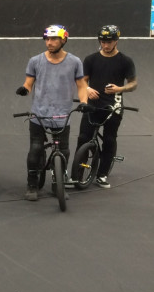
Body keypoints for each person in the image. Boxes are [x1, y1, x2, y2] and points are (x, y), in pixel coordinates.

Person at [16, 25, 88, 201]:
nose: (49, 42)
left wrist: (84, 102)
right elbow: (28, 83)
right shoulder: (35, 61)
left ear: (63, 40)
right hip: (39, 114)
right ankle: (32, 185)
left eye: (54, 39)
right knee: (35, 149)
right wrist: (25, 89)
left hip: (62, 115)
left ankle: (58, 184)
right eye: (47, 39)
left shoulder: (75, 62)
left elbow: (81, 86)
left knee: (64, 151)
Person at [73, 25, 137, 188]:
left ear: (116, 41)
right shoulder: (91, 59)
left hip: (113, 106)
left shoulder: (125, 61)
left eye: (109, 42)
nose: (105, 45)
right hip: (92, 106)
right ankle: (77, 174)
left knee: (109, 139)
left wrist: (120, 88)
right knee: (83, 138)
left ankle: (102, 174)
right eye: (103, 42)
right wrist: (87, 89)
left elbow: (133, 83)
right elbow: (82, 80)